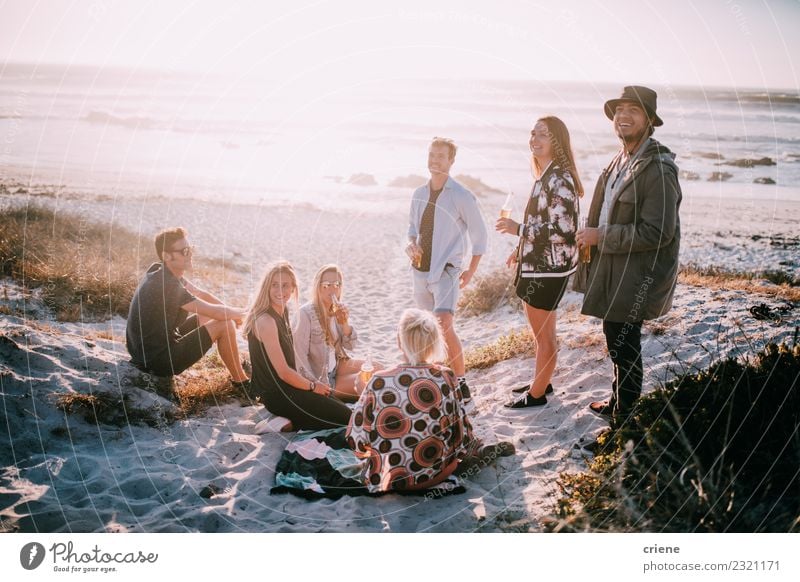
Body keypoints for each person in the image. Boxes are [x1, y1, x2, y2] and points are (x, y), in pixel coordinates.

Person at [575, 86, 682, 422]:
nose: (623, 116)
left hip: (635, 273)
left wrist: (601, 236)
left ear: (649, 121)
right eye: (619, 110)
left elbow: (658, 232)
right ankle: (618, 402)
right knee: (616, 338)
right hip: (613, 267)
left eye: (633, 111)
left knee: (624, 342)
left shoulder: (659, 170)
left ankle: (626, 416)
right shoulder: (619, 160)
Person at [346, 309, 512, 493]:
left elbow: (356, 442)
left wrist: (364, 392)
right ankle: (477, 450)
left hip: (390, 480)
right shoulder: (446, 376)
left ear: (399, 341)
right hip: (437, 474)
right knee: (460, 438)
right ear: (433, 342)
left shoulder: (379, 380)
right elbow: (460, 433)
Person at [496, 116, 583, 408]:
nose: (535, 138)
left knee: (545, 337)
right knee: (540, 334)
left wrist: (518, 230)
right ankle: (541, 382)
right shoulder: (546, 174)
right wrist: (521, 248)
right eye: (532, 133)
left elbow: (563, 230)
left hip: (548, 270)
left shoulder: (560, 178)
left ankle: (536, 396)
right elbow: (544, 222)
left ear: (556, 141)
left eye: (542, 134)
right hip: (538, 264)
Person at [405, 137, 488, 404]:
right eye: (431, 155)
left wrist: (470, 271)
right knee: (425, 328)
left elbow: (480, 236)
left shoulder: (462, 195)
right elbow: (411, 233)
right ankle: (434, 378)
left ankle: (461, 383)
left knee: (444, 326)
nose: (435, 160)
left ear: (451, 161)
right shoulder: (418, 193)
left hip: (448, 272)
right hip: (420, 272)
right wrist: (411, 247)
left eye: (441, 156)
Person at [126, 227, 249, 397]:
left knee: (217, 316)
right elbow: (218, 314)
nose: (190, 254)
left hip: (145, 351)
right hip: (157, 361)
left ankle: (236, 362)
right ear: (166, 256)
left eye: (190, 249)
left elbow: (202, 294)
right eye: (184, 251)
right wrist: (247, 315)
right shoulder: (167, 286)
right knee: (224, 324)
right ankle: (242, 383)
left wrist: (236, 316)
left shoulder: (161, 271)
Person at [244, 261, 351, 431]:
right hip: (277, 395)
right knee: (346, 420)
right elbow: (284, 372)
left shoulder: (282, 311)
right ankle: (281, 421)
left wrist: (312, 385)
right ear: (267, 287)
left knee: (342, 411)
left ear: (293, 288)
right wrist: (313, 386)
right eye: (275, 285)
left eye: (285, 285)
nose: (280, 291)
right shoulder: (266, 321)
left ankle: (287, 421)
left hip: (291, 387)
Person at [293, 264, 377, 402]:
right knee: (368, 383)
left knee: (376, 369)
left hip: (337, 366)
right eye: (327, 285)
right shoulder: (305, 314)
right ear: (318, 287)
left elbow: (351, 346)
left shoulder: (335, 310)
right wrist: (314, 385)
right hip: (322, 378)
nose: (332, 289)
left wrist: (344, 322)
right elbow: (299, 357)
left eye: (337, 284)